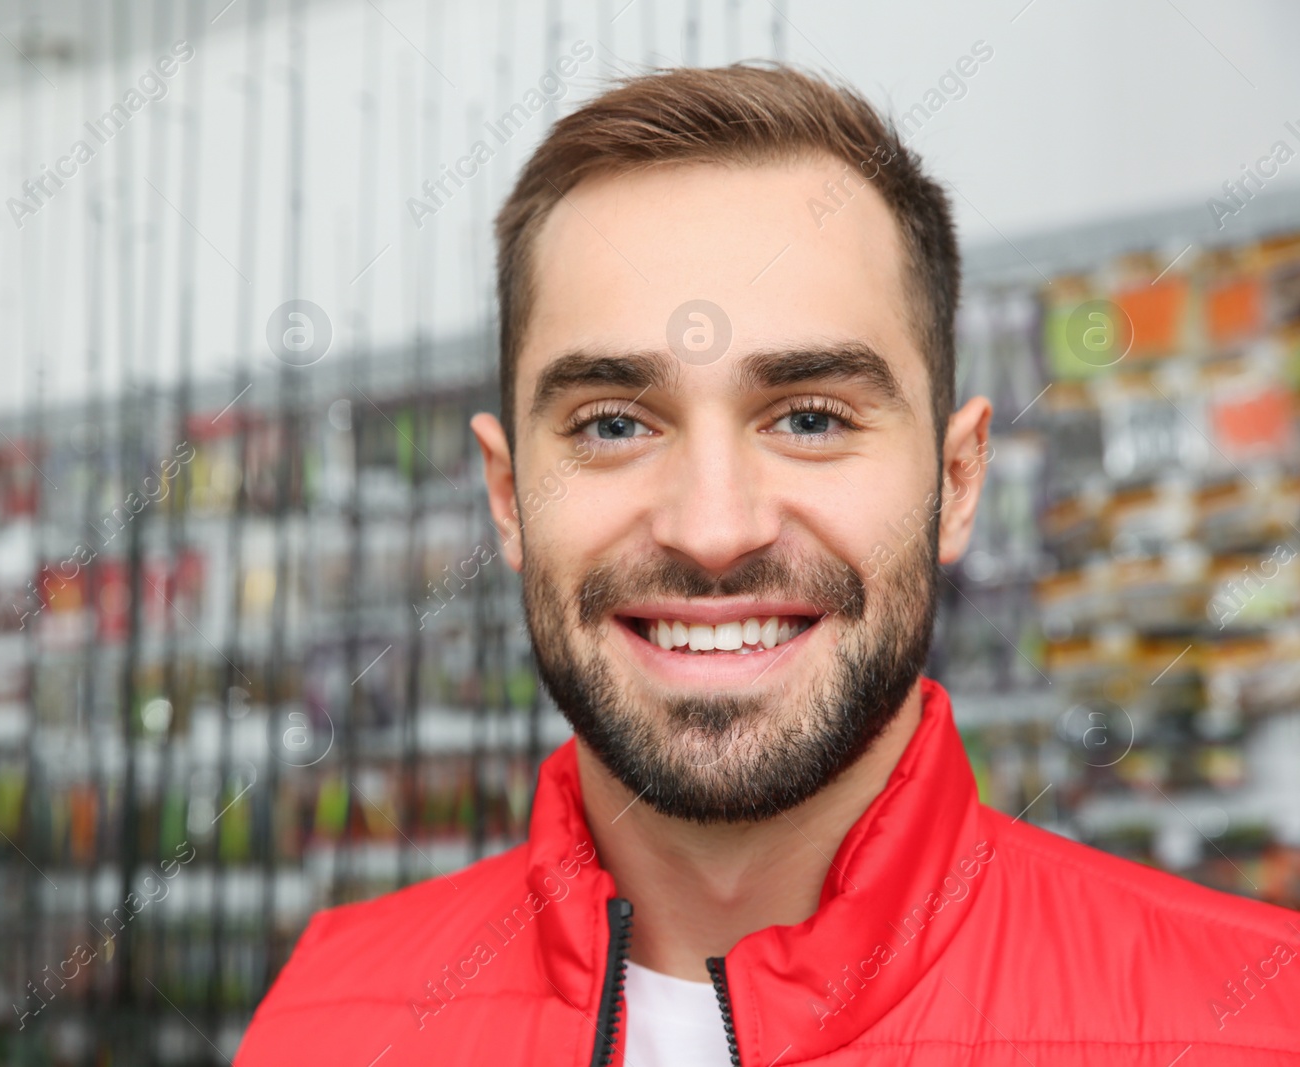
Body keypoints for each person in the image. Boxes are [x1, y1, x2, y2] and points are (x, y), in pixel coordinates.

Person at [234, 64, 1300, 1066]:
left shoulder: (1257, 1020)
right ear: (508, 497)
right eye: (612, 423)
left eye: (807, 416)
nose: (711, 527)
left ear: (958, 480)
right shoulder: (323, 1018)